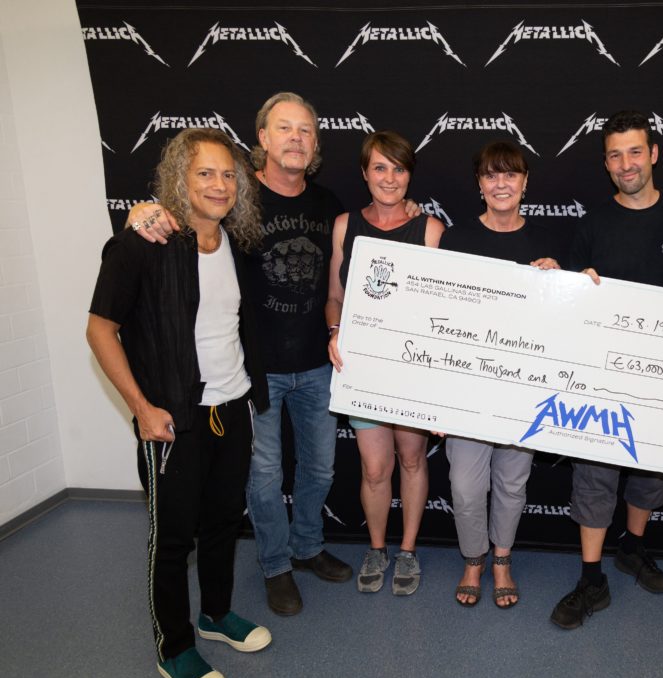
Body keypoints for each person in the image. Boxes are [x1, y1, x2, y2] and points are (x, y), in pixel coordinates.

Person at [127, 93, 416, 617]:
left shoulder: (328, 204)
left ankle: (307, 546)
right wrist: (143, 211)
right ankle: (276, 565)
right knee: (262, 478)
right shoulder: (235, 199)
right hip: (254, 369)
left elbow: (365, 247)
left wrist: (407, 211)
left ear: (316, 143)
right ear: (262, 137)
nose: (296, 139)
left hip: (320, 364)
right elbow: (184, 218)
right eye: (285, 128)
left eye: (305, 130)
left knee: (320, 469)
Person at [87, 128, 271, 678]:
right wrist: (141, 407)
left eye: (228, 174)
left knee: (222, 523)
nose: (220, 184)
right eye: (205, 173)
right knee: (171, 540)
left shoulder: (237, 245)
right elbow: (100, 330)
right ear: (179, 179)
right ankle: (174, 648)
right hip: (173, 420)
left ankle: (215, 614)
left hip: (232, 410)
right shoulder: (143, 244)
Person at [550, 110, 663, 629]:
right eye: (615, 155)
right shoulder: (593, 224)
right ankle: (592, 576)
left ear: (654, 154)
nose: (626, 163)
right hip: (600, 376)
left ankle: (633, 547)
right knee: (595, 476)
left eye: (635, 151)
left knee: (650, 473)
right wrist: (578, 284)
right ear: (606, 163)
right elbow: (568, 305)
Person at [437, 140, 562, 608]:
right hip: (467, 387)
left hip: (523, 389)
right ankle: (474, 558)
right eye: (492, 175)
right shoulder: (456, 239)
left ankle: (502, 559)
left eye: (511, 174)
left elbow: (564, 323)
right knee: (466, 486)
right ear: (480, 184)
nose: (501, 183)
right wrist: (434, 395)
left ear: (525, 182)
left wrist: (559, 281)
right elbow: (439, 315)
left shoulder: (548, 242)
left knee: (512, 481)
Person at [326, 131, 445, 596]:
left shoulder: (429, 229)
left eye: (399, 168)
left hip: (412, 369)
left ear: (409, 175)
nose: (389, 178)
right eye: (380, 167)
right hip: (363, 369)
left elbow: (443, 307)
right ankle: (377, 547)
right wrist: (334, 331)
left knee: (412, 460)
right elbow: (334, 296)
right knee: (375, 468)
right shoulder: (344, 225)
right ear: (365, 173)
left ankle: (408, 550)